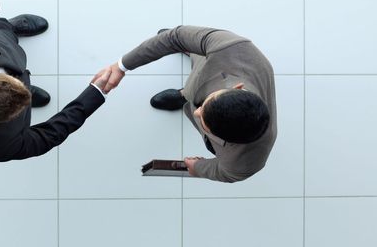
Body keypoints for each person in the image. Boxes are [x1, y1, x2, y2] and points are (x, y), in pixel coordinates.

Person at [96, 26, 276, 183]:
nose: (197, 112)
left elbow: (226, 173)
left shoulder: (247, 161)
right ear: (237, 88)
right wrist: (121, 66)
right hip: (210, 66)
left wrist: (198, 168)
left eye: (203, 121)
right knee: (186, 43)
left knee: (192, 101)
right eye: (204, 107)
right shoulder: (232, 47)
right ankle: (187, 78)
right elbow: (175, 36)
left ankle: (185, 96)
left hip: (216, 106)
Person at [0, 6, 110, 162]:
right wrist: (96, 91)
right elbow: (52, 134)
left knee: (2, 33)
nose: (19, 79)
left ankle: (9, 26)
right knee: (6, 47)